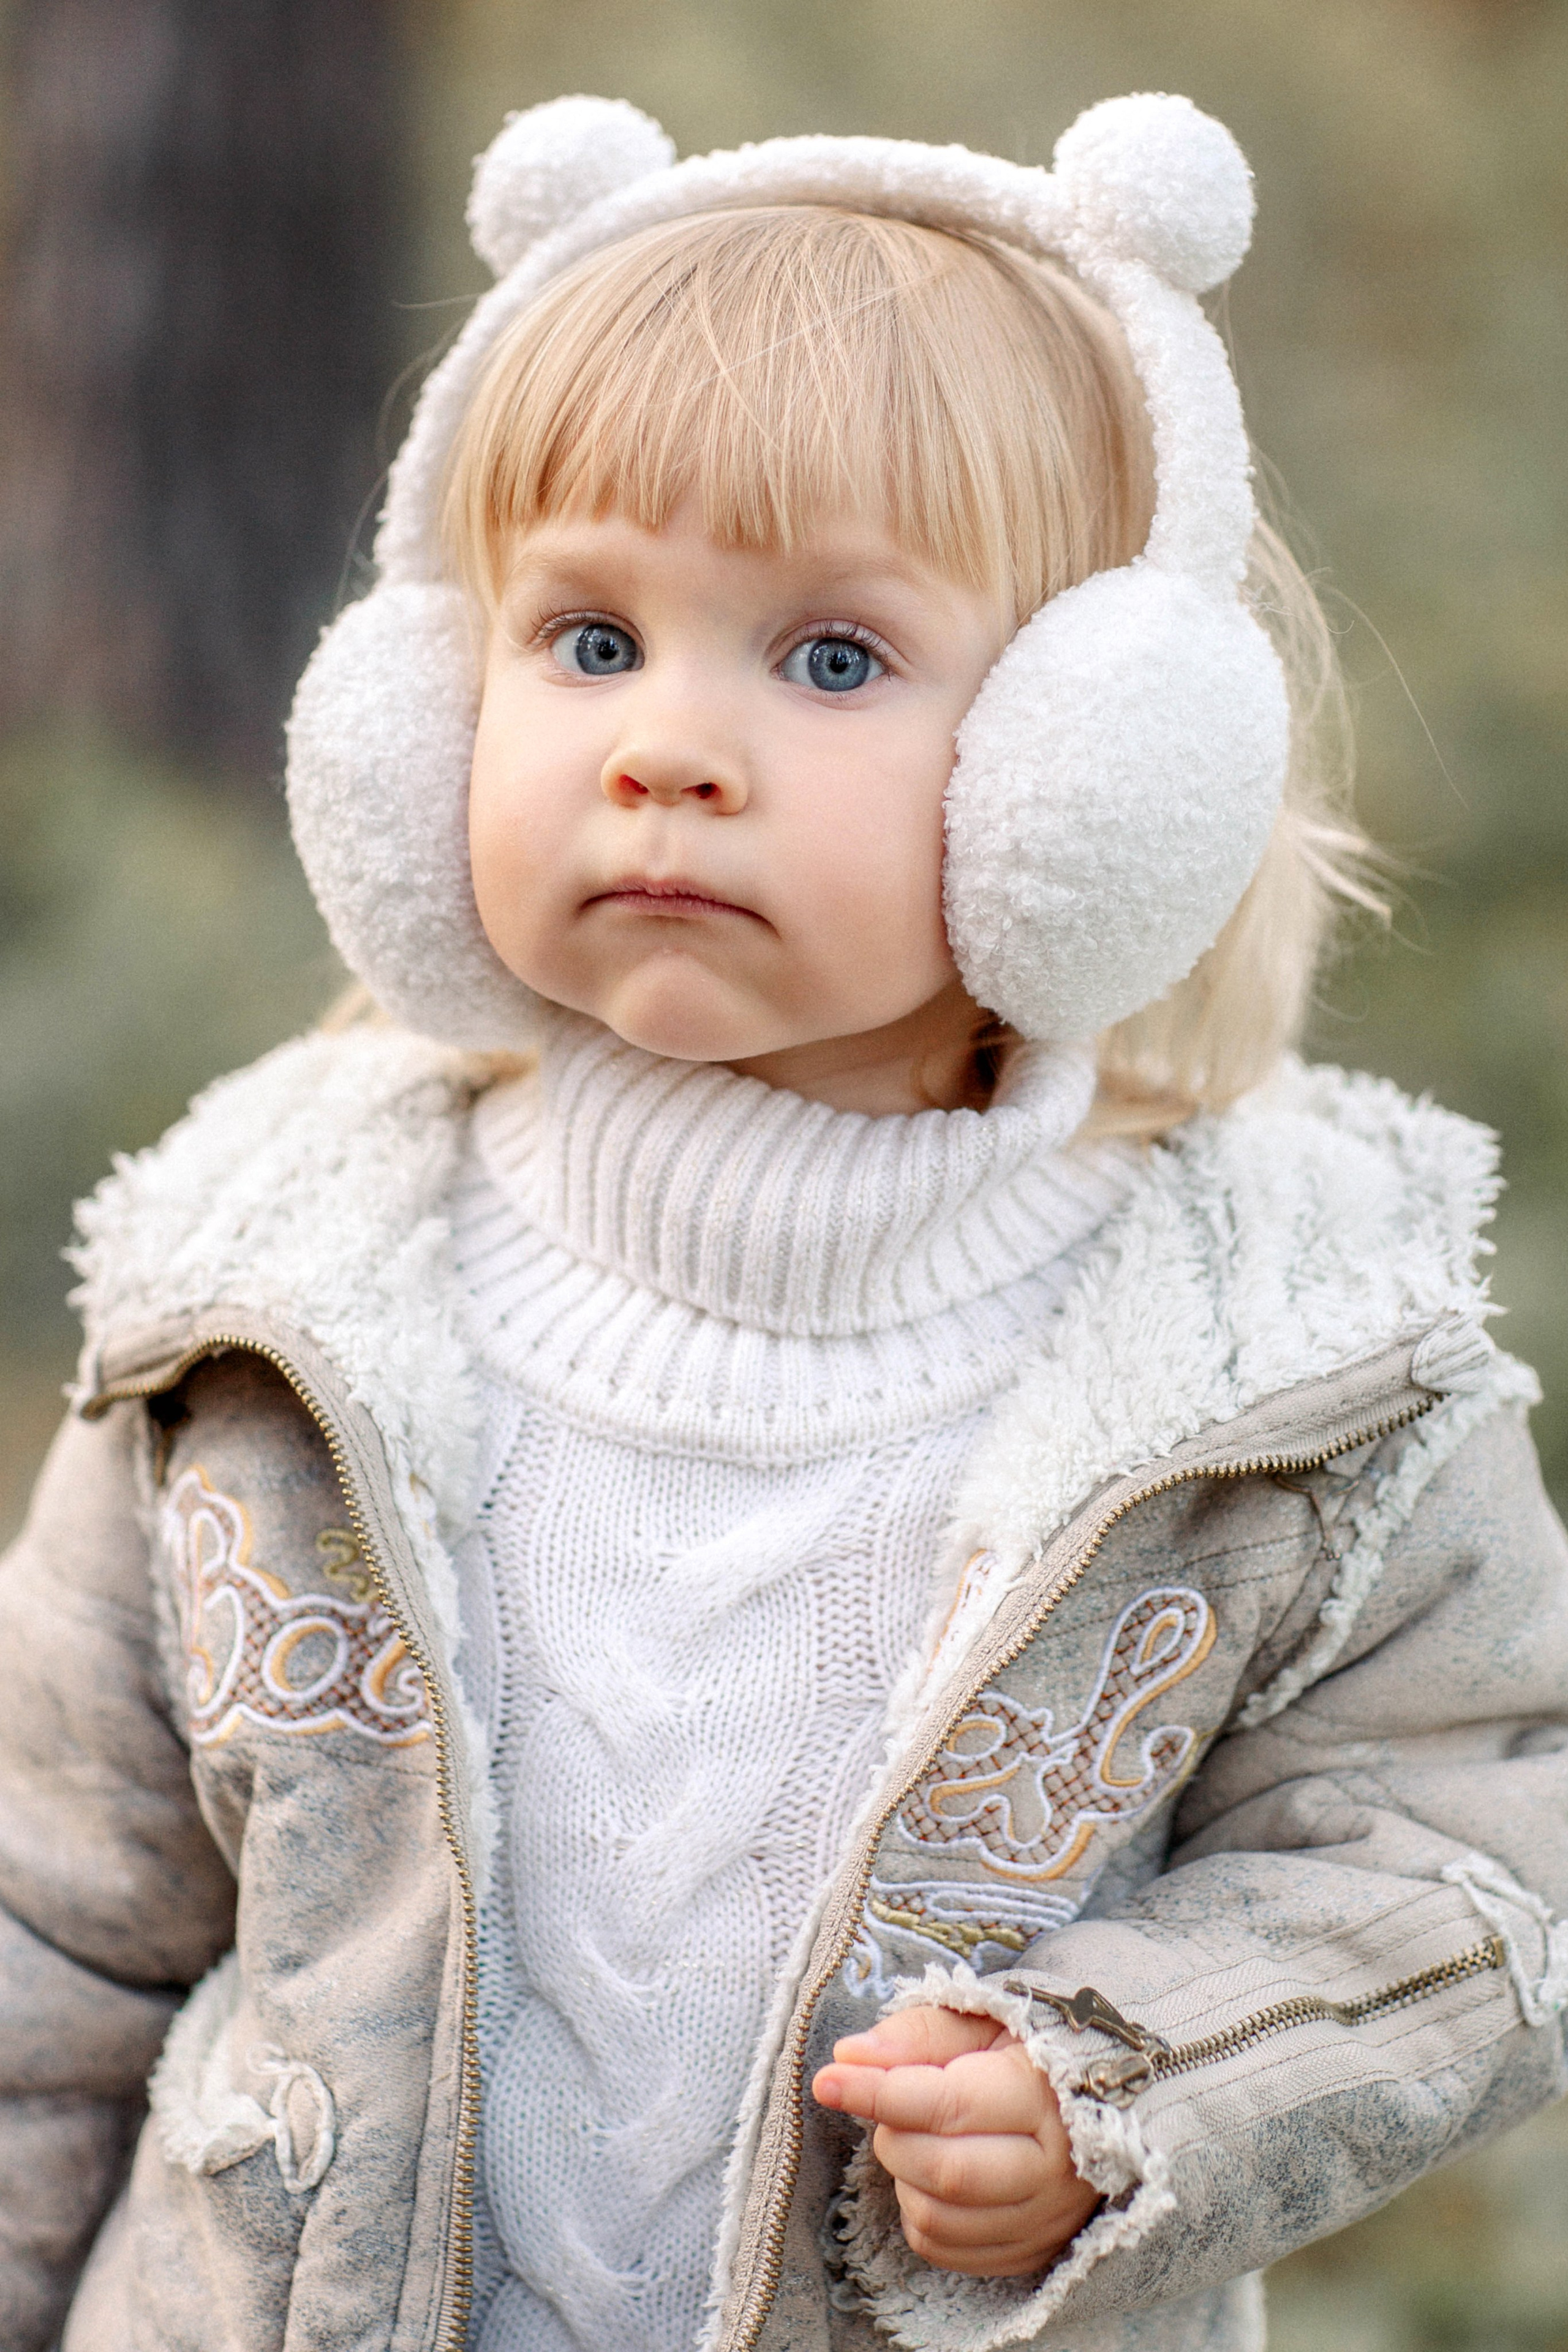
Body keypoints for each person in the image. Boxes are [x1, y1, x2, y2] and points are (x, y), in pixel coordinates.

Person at [1, 88, 1564, 2352]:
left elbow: (1472, 1855)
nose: (667, 746)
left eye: (831, 658)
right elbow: (44, 1932)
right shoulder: (263, 1290)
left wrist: (1125, 2081)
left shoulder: (1284, 1360)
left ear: (1095, 771)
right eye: (588, 640)